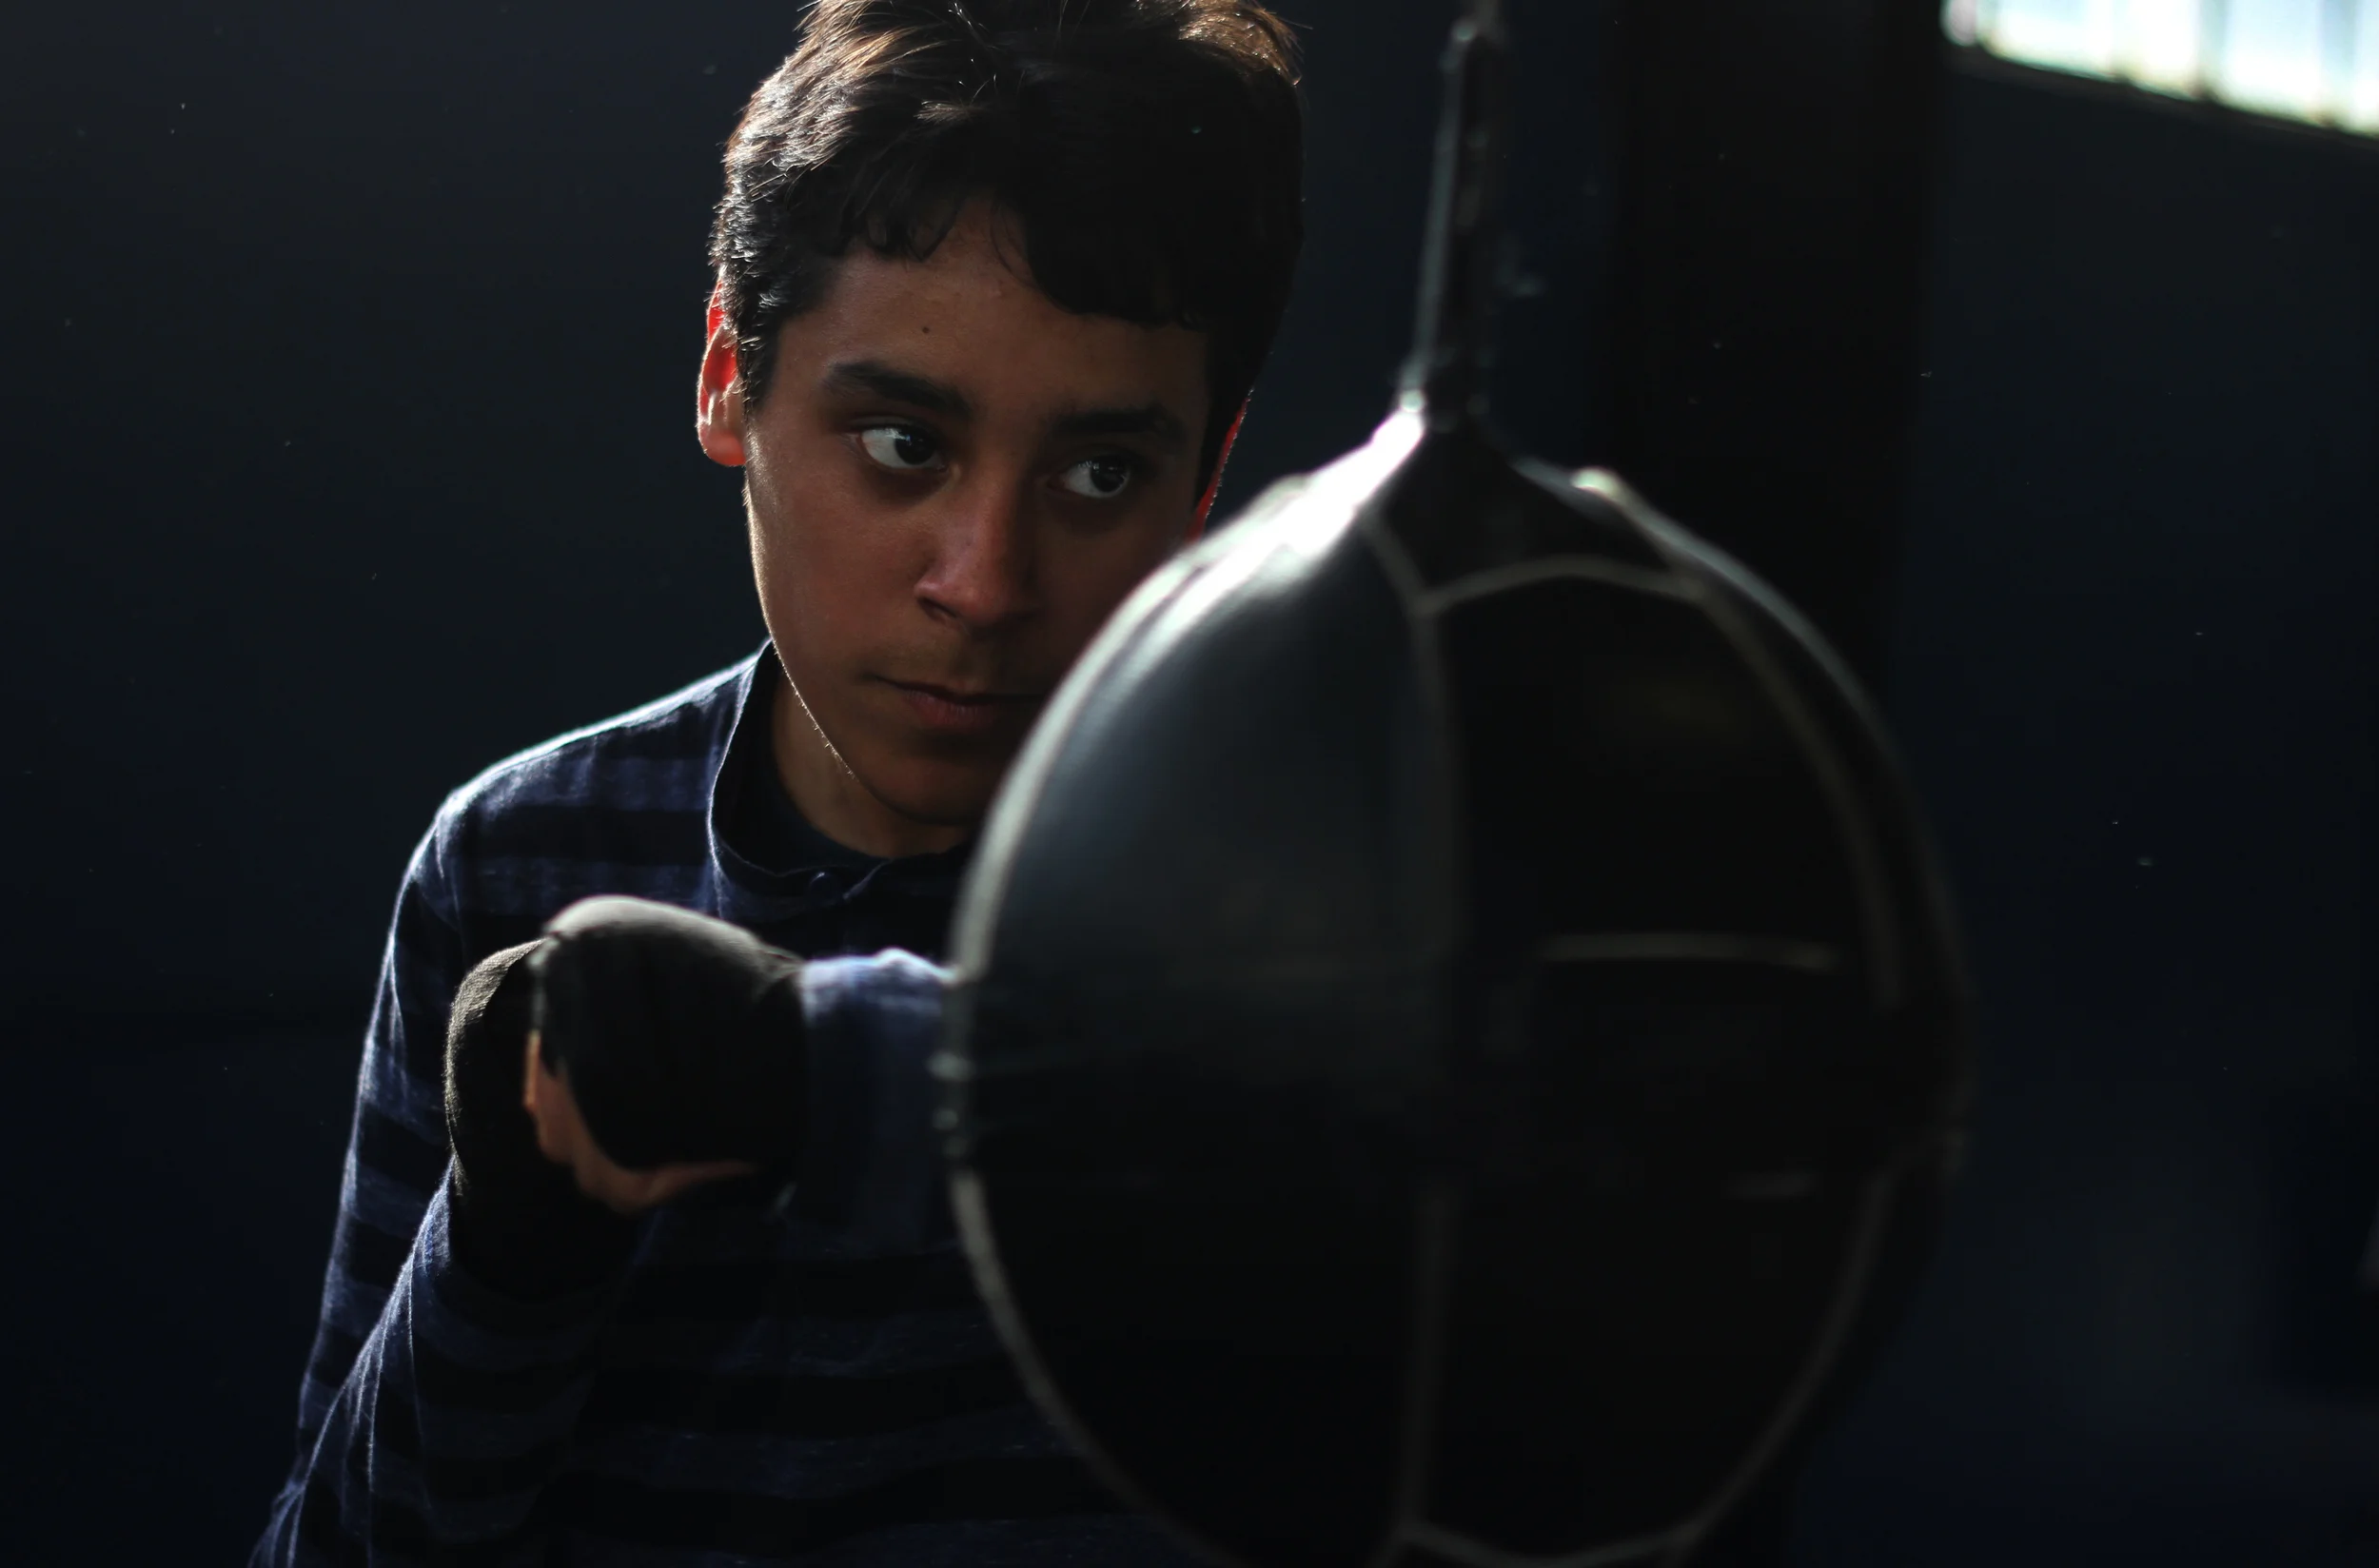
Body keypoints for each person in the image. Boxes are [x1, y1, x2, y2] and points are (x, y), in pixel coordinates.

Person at [252, 2, 1303, 1560]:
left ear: (1206, 476)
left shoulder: (1303, 894)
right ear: (731, 381)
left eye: (1099, 474)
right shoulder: (517, 860)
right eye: (900, 442)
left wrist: (821, 1075)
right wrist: (512, 1248)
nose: (985, 581)